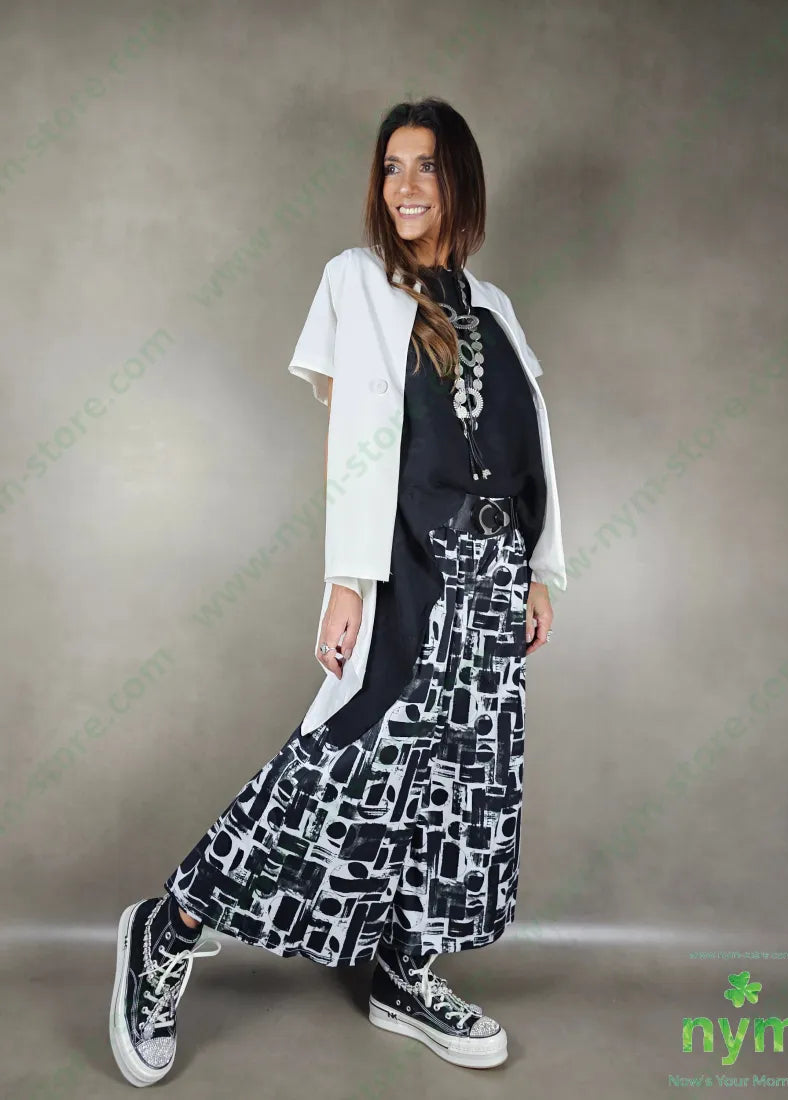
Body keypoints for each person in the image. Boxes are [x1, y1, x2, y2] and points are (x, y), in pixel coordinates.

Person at [109, 96, 567, 1086]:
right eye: (391, 167)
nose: (404, 186)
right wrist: (347, 580)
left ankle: (404, 970)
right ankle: (169, 923)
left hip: (494, 580)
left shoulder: (496, 307)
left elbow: (531, 447)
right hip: (411, 570)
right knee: (339, 766)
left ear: (460, 180)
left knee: (462, 782)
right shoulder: (356, 282)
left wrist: (540, 568)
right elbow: (355, 434)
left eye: (426, 166)